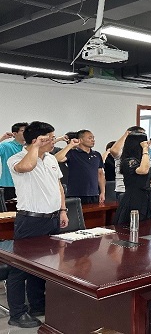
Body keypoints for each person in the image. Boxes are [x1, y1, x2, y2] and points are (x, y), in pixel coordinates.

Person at [7, 121, 68, 328]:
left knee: (44, 265)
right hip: (30, 221)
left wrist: (62, 210)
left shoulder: (51, 158)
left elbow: (58, 186)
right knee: (20, 268)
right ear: (36, 140)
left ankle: (38, 305)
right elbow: (27, 167)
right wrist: (34, 146)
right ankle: (17, 313)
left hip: (52, 219)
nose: (53, 141)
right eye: (49, 138)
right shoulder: (17, 159)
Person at [113, 132, 151, 224]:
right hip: (134, 198)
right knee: (133, 224)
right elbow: (143, 170)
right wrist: (145, 150)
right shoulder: (128, 161)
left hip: (146, 197)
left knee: (148, 225)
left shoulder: (142, 159)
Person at [55, 129, 105, 204]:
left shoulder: (97, 154)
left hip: (94, 193)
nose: (93, 140)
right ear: (80, 140)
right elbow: (56, 159)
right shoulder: (72, 153)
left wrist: (103, 192)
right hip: (76, 194)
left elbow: (100, 174)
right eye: (90, 138)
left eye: (93, 138)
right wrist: (70, 145)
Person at [110, 126, 145, 201]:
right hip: (123, 190)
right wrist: (126, 135)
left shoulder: (144, 153)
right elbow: (113, 150)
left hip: (141, 190)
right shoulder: (123, 151)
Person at [0, 122, 28, 200]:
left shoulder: (30, 148)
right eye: (23, 131)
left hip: (26, 185)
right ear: (15, 133)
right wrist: (2, 138)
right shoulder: (6, 146)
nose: (26, 133)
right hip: (9, 185)